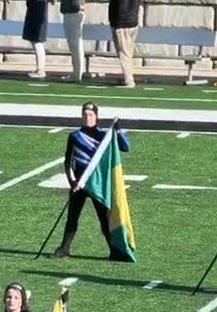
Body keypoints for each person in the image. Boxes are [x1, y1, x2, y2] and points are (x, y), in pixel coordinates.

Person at [54, 102, 131, 260]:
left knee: (104, 219)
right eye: (84, 115)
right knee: (72, 218)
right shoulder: (75, 136)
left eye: (90, 115)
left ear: (96, 116)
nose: (87, 118)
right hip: (79, 184)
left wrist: (118, 129)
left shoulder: (104, 136)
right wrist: (72, 181)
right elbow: (68, 162)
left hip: (97, 184)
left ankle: (114, 251)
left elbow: (125, 147)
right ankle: (64, 248)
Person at [108, 0, 141, 88]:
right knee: (128, 53)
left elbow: (121, 7)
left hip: (122, 23)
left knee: (124, 54)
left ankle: (129, 80)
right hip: (133, 21)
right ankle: (128, 76)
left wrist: (117, 23)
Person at [22, 0, 51, 79]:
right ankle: (39, 69)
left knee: (37, 42)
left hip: (37, 15)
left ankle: (40, 70)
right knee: (35, 41)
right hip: (34, 13)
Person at [60, 0, 85, 81]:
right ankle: (76, 73)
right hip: (72, 11)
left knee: (75, 45)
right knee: (74, 45)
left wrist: (77, 6)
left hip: (73, 12)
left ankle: (77, 74)